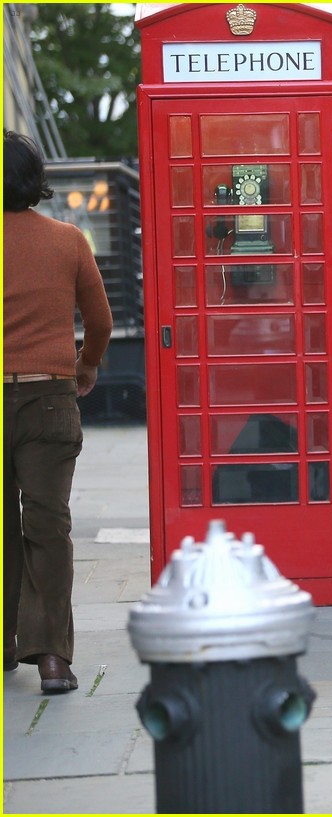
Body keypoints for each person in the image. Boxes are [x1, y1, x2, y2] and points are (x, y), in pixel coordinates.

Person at [3, 130, 113, 693]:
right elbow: (100, 322)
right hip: (49, 396)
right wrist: (85, 364)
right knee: (48, 527)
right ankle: (51, 658)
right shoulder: (68, 240)